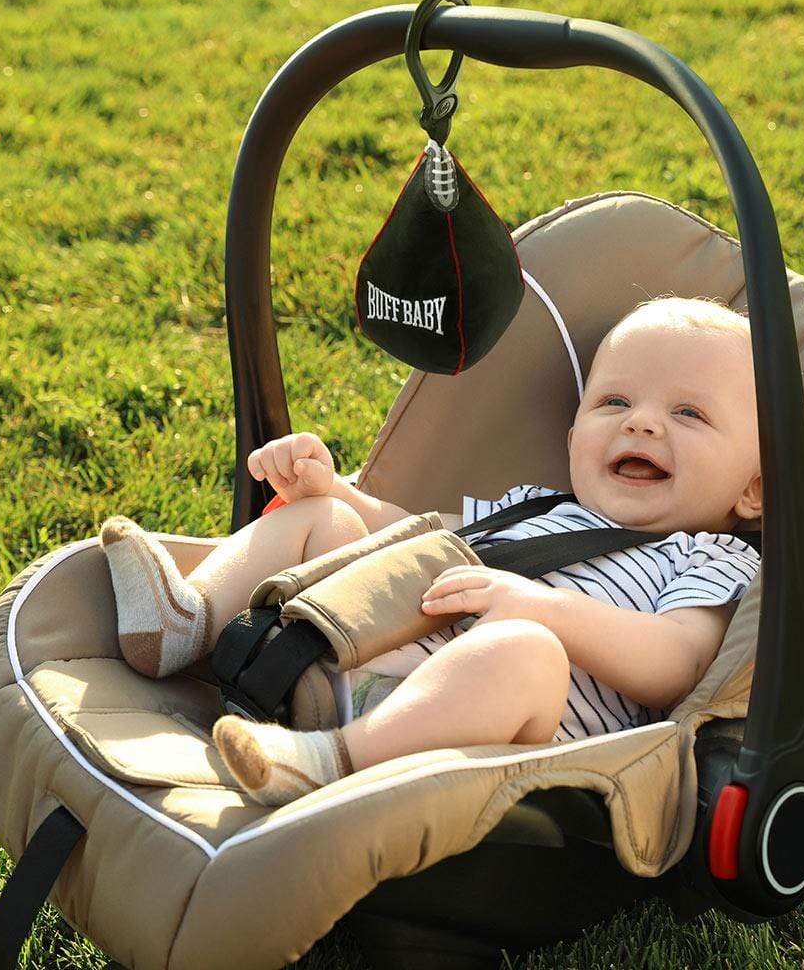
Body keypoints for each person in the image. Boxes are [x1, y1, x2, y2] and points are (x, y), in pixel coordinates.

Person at [99, 296, 762, 805]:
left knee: (525, 652)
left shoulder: (710, 558)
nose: (640, 421)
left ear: (755, 490)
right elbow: (414, 535)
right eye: (614, 400)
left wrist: (543, 611)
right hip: (347, 649)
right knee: (324, 517)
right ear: (571, 437)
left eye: (690, 414)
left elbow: (680, 662)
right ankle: (185, 622)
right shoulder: (538, 506)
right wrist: (336, 494)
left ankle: (327, 762)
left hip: (489, 725)